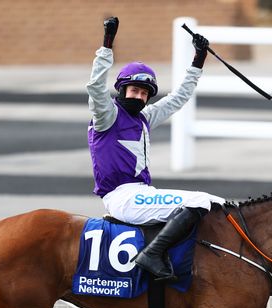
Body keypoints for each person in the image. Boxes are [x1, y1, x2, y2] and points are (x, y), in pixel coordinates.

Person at [86, 16, 225, 281]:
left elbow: (178, 98)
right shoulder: (107, 115)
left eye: (144, 93)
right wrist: (107, 45)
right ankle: (151, 255)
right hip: (122, 198)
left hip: (141, 194)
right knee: (201, 201)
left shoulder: (144, 118)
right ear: (122, 89)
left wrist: (198, 60)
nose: (139, 96)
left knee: (216, 202)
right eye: (134, 90)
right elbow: (95, 88)